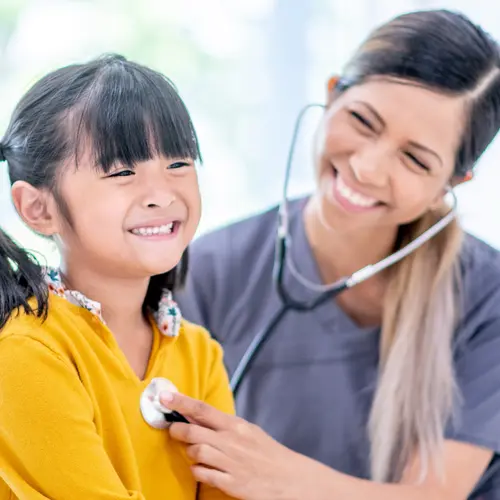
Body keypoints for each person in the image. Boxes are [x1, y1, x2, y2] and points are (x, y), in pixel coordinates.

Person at [174, 9, 500, 499]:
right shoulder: (210, 271)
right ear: (331, 96)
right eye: (363, 121)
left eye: (414, 159)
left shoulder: (487, 297)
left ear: (449, 185)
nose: (367, 168)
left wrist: (274, 477)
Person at [0, 54, 235, 500]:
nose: (161, 193)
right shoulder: (26, 353)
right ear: (38, 208)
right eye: (123, 171)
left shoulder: (199, 353)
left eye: (179, 163)